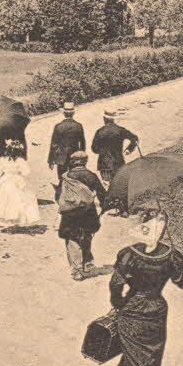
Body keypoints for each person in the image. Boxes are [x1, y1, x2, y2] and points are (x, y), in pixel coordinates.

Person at [108, 210, 183, 366]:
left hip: (133, 311)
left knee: (139, 362)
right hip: (156, 310)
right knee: (148, 360)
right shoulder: (171, 255)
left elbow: (116, 285)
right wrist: (178, 266)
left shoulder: (129, 255)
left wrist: (119, 304)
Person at [57, 151, 104, 280]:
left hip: (70, 214)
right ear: (85, 161)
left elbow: (58, 195)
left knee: (73, 239)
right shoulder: (91, 176)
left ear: (72, 162)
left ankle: (77, 270)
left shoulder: (65, 176)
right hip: (88, 213)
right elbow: (102, 194)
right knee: (87, 235)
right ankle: (88, 263)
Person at [91, 109, 139, 214]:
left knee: (108, 185)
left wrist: (102, 150)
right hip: (118, 162)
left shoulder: (100, 132)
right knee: (120, 185)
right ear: (114, 120)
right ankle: (123, 209)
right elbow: (135, 138)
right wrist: (129, 149)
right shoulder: (120, 130)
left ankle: (111, 207)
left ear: (104, 119)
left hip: (105, 164)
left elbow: (94, 149)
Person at [0, 141, 39, 227]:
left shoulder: (2, 160)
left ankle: (6, 220)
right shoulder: (20, 161)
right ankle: (17, 219)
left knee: (5, 201)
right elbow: (26, 172)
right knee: (18, 200)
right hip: (17, 180)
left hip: (5, 180)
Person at [48, 102, 86, 201]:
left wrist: (51, 160)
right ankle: (74, 197)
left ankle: (61, 197)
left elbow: (53, 144)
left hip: (61, 156)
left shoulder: (58, 126)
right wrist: (82, 157)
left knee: (62, 178)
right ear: (73, 113)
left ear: (64, 113)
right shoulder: (78, 126)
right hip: (75, 156)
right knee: (74, 178)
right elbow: (82, 143)